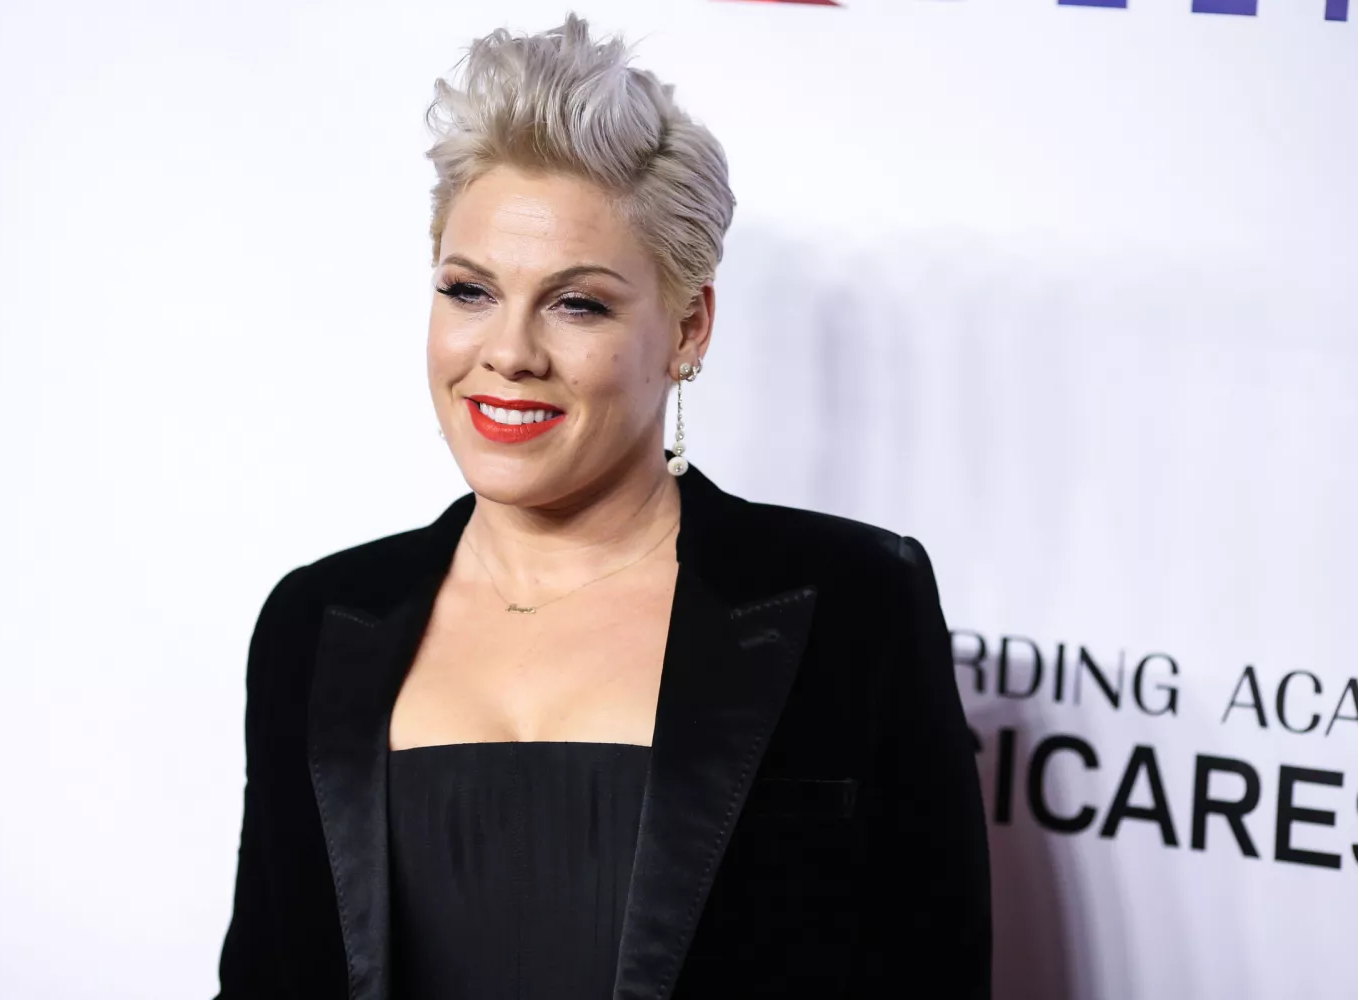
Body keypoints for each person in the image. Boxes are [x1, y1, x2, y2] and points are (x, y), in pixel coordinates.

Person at [214, 13, 989, 1000]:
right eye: (469, 291)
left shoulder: (852, 603)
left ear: (689, 326)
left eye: (577, 303)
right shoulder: (317, 619)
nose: (508, 353)